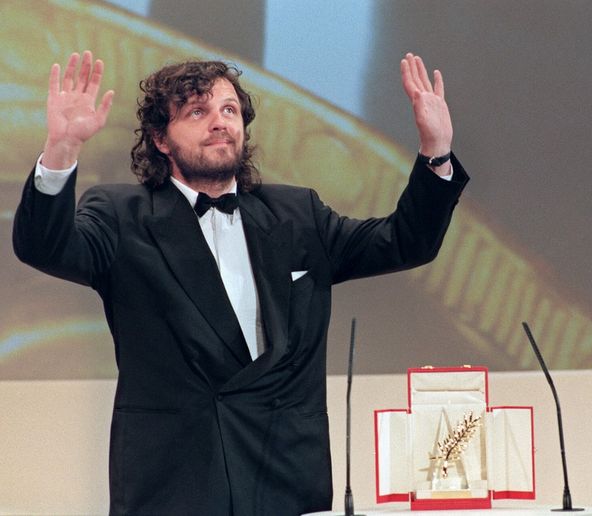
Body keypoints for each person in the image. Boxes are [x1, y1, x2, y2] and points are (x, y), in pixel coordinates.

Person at [13, 50, 468, 515]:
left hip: (285, 472)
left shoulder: (297, 214)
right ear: (160, 139)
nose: (219, 122)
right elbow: (45, 246)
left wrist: (436, 153)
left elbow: (405, 242)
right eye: (197, 111)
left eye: (229, 110)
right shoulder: (120, 215)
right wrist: (61, 151)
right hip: (174, 481)